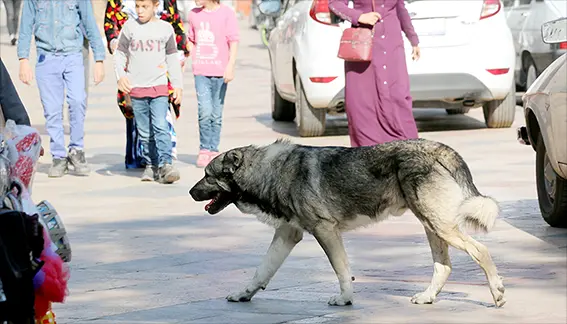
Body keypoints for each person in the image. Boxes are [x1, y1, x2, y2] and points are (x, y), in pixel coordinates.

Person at [17, 0, 106, 178]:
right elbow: (26, 26)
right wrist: (23, 60)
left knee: (78, 100)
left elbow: (89, 23)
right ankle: (58, 156)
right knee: (52, 109)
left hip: (73, 55)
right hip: (46, 58)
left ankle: (77, 150)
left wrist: (99, 60)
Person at [104, 0, 190, 170]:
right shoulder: (125, 16)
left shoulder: (165, 19)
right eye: (138, 7)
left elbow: (176, 31)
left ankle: (165, 162)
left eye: (144, 7)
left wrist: (178, 78)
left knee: (160, 122)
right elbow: (110, 25)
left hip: (159, 76)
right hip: (133, 75)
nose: (140, 10)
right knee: (139, 123)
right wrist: (114, 44)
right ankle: (145, 160)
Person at [328, 0, 421, 147]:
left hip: (392, 46)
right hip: (365, 46)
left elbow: (400, 9)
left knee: (398, 96)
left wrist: (413, 39)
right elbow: (335, 4)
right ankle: (369, 156)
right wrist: (359, 17)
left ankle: (407, 151)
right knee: (364, 103)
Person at [187, 0, 239, 167]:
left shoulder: (227, 13)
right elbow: (191, 39)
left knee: (216, 114)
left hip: (220, 72)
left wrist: (230, 66)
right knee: (204, 111)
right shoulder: (194, 14)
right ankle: (204, 149)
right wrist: (185, 59)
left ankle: (213, 149)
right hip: (201, 71)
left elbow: (234, 41)